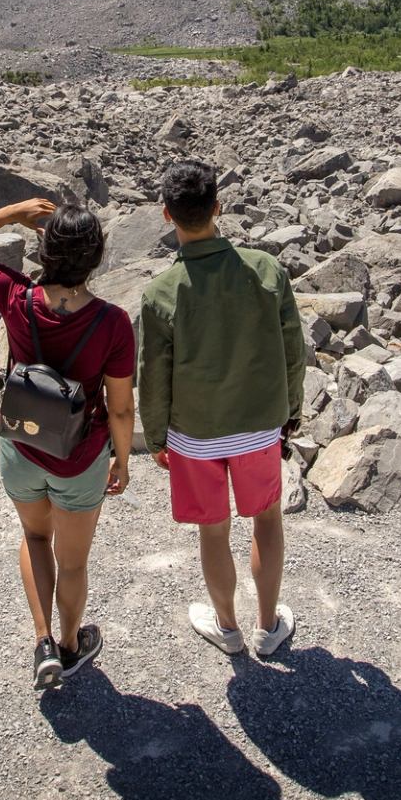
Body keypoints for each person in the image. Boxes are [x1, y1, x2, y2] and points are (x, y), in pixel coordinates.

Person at [0, 197, 136, 690]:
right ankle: (70, 647)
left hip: (22, 446)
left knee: (34, 538)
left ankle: (43, 640)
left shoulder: (16, 296)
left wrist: (12, 213)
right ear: (96, 258)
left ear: (44, 249)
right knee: (73, 560)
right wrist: (123, 461)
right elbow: (120, 407)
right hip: (79, 456)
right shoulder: (112, 323)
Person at [138, 159, 306, 659]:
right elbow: (294, 350)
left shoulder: (159, 292)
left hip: (194, 435)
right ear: (218, 206)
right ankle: (269, 625)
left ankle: (228, 628)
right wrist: (290, 411)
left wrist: (156, 437)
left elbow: (154, 374)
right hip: (259, 428)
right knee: (267, 521)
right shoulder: (266, 269)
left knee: (214, 532)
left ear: (166, 215)